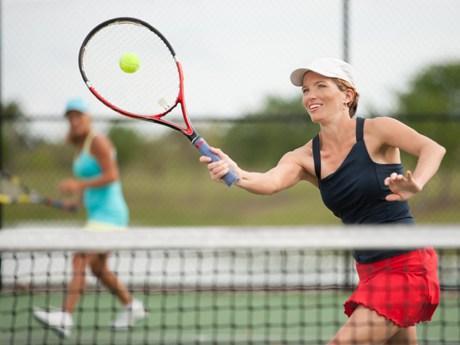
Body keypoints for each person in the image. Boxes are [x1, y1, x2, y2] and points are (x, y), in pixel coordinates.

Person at [200, 58, 446, 344]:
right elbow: (269, 182)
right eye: (305, 90)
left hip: (406, 267)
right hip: (369, 272)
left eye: (321, 86)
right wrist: (237, 173)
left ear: (347, 95)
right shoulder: (303, 157)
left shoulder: (379, 130)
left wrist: (417, 183)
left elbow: (433, 149)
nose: (310, 95)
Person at [33, 98, 146, 338]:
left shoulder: (98, 141)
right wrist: (75, 203)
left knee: (80, 257)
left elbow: (112, 175)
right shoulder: (81, 146)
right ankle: (132, 306)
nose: (74, 121)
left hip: (110, 215)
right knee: (98, 268)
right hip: (97, 214)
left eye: (78, 116)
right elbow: (88, 183)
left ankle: (65, 316)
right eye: (70, 117)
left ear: (88, 117)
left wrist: (77, 184)